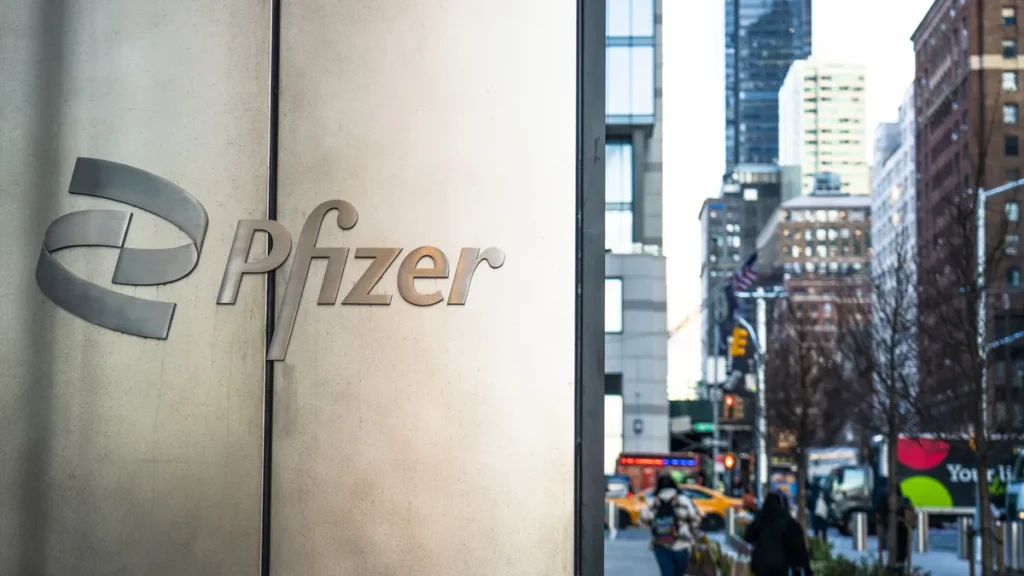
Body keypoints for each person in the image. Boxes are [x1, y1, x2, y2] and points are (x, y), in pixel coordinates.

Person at [640, 473, 702, 576]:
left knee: (666, 573)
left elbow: (642, 521)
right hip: (682, 544)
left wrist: (657, 525)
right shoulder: (683, 501)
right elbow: (695, 521)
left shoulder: (652, 502)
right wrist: (694, 537)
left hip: (660, 544)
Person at [743, 491, 814, 576]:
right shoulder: (789, 522)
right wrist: (804, 568)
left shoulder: (760, 520)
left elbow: (748, 537)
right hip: (780, 566)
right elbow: (798, 547)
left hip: (761, 565)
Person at [879, 485, 914, 574]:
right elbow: (911, 516)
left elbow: (880, 515)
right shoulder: (905, 500)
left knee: (894, 548)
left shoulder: (886, 499)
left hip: (893, 529)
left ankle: (893, 565)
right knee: (901, 549)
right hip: (903, 530)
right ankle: (899, 565)